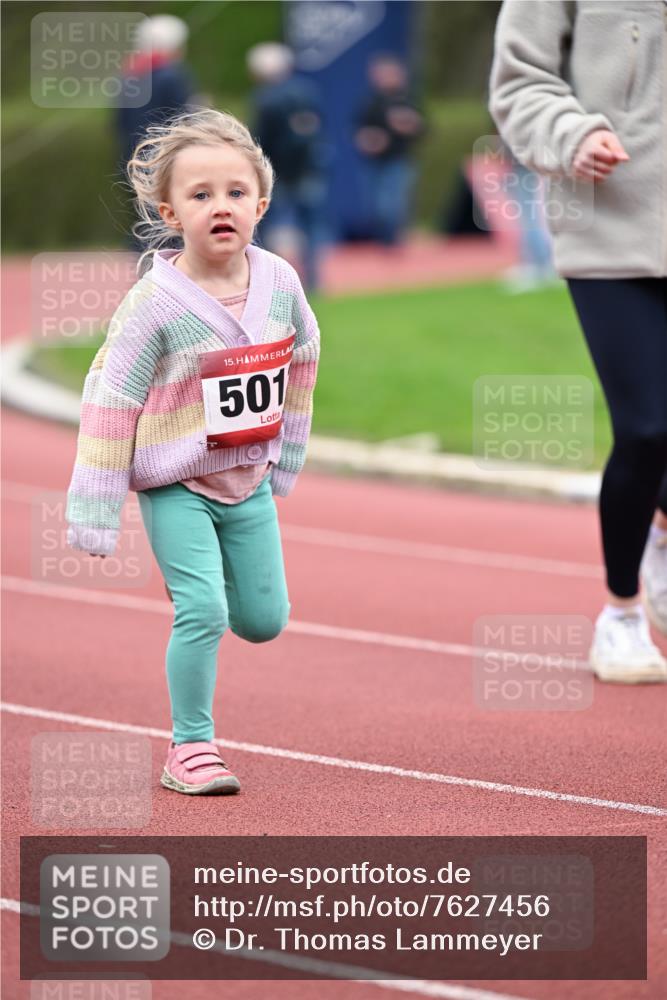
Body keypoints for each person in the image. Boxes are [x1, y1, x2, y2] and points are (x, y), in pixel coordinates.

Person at [65, 109, 321, 792]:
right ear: (170, 213)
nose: (220, 206)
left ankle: (215, 589)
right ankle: (190, 749)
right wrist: (96, 508)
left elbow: (303, 359)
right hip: (175, 483)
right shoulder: (153, 304)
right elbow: (111, 398)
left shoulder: (280, 282)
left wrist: (287, 455)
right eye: (201, 194)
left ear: (260, 206)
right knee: (202, 611)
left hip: (249, 481)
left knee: (263, 622)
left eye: (236, 192)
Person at [489, 0, 666, 683]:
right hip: (610, 231)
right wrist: (572, 134)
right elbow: (520, 80)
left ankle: (659, 530)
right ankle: (621, 614)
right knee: (647, 430)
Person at [247, 42, 328, 291]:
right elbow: (318, 128)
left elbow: (260, 140)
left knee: (266, 224)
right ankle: (313, 278)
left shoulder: (265, 98)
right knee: (312, 225)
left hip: (276, 172)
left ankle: (271, 280)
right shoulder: (306, 91)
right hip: (308, 167)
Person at [354, 53, 425, 246]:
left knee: (393, 205)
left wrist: (407, 124)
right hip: (375, 162)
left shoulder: (408, 100)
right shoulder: (370, 102)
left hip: (399, 160)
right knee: (377, 207)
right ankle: (385, 241)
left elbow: (422, 129)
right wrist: (370, 140)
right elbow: (359, 131)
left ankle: (395, 240)